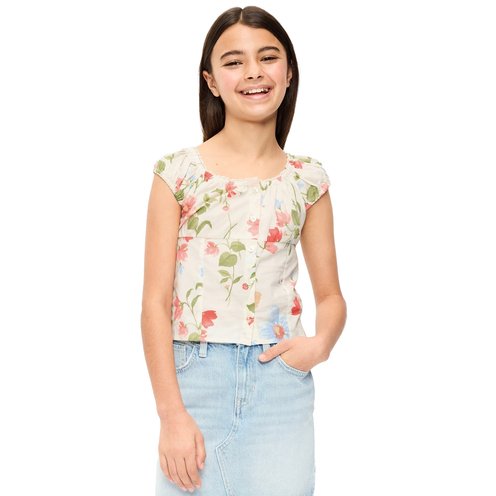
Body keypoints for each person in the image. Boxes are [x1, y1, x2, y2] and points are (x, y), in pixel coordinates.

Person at [141, 5, 347, 495]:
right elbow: (154, 303)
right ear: (211, 81)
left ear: (289, 73)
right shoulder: (178, 173)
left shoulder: (307, 179)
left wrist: (320, 344)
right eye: (234, 62)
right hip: (194, 381)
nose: (253, 71)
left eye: (268, 57)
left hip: (280, 385)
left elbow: (331, 296)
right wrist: (171, 414)